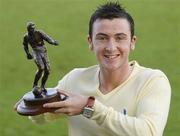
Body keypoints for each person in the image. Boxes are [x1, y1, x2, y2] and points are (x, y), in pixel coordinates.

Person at [29, 2, 171, 136]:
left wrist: (89, 107)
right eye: (102, 38)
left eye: (119, 38)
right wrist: (33, 103)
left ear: (132, 42)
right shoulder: (74, 80)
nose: (111, 47)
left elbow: (150, 132)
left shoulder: (152, 81)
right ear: (90, 42)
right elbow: (40, 117)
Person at [23, 22, 59, 96]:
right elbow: (25, 45)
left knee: (47, 70)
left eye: (33, 28)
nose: (33, 30)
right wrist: (28, 53)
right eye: (31, 29)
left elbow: (47, 38)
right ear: (28, 29)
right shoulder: (26, 37)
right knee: (41, 68)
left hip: (43, 50)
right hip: (35, 52)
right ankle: (35, 84)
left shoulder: (39, 33)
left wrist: (53, 42)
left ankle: (42, 86)